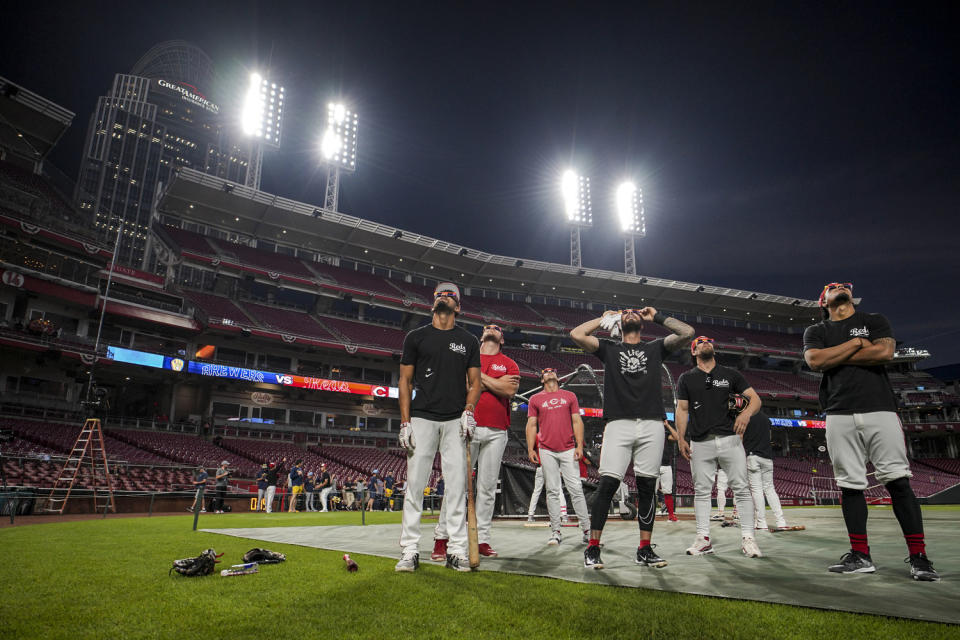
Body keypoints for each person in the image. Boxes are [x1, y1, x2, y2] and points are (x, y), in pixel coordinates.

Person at [803, 282, 938, 580]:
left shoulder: (874, 320)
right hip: (838, 412)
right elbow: (814, 360)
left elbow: (885, 353)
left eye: (845, 285)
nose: (840, 287)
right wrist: (856, 344)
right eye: (832, 287)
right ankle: (861, 555)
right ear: (822, 301)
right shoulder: (817, 332)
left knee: (898, 481)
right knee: (850, 485)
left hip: (881, 409)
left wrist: (835, 356)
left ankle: (919, 557)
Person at [570, 306, 695, 569]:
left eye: (634, 312)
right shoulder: (609, 349)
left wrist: (658, 316)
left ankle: (645, 549)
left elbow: (688, 332)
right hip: (618, 423)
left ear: (642, 321)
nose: (629, 313)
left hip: (651, 423)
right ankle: (593, 548)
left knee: (648, 487)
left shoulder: (656, 348)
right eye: (624, 312)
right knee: (607, 485)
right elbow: (577, 333)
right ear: (619, 322)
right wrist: (603, 318)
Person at [395, 282, 481, 573]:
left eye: (450, 295)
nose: (443, 297)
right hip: (421, 417)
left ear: (458, 306)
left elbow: (476, 383)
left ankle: (456, 550)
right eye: (439, 294)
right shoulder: (416, 337)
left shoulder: (469, 341)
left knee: (456, 488)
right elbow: (404, 381)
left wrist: (469, 411)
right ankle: (409, 550)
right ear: (433, 302)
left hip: (455, 418)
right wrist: (405, 421)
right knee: (415, 487)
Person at [432, 323, 520, 559]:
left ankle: (482, 539)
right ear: (482, 335)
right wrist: (494, 382)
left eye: (496, 327)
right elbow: (459, 385)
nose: (491, 328)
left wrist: (478, 376)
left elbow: (509, 390)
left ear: (502, 338)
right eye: (487, 326)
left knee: (487, 489)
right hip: (465, 426)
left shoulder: (509, 363)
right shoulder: (467, 355)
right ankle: (442, 537)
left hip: (497, 431)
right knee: (455, 485)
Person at [676, 336, 763, 558]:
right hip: (700, 440)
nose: (706, 342)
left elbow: (755, 400)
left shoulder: (731, 374)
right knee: (702, 492)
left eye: (709, 340)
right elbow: (683, 410)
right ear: (694, 351)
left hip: (730, 439)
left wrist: (745, 414)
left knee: (741, 489)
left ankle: (749, 538)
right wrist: (681, 438)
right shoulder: (686, 378)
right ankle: (703, 539)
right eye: (700, 342)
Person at [525, 367, 591, 546]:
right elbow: (531, 425)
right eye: (545, 371)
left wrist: (579, 445)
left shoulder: (570, 396)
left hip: (568, 448)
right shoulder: (535, 399)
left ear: (557, 376)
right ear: (541, 379)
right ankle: (555, 531)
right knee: (552, 491)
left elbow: (577, 420)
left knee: (576, 489)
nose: (549, 372)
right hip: (546, 449)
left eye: (552, 370)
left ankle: (587, 531)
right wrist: (531, 449)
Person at [743, 411, 789, 531]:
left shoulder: (745, 416)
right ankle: (781, 521)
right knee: (770, 489)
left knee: (757, 490)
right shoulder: (766, 418)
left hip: (753, 456)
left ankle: (761, 523)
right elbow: (769, 437)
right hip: (767, 457)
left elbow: (740, 437)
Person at [658, 421, 679, 522]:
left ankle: (671, 515)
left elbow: (677, 437)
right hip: (653, 465)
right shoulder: (650, 433)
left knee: (668, 492)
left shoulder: (666, 434)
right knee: (649, 492)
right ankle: (647, 515)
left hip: (666, 465)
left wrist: (667, 425)